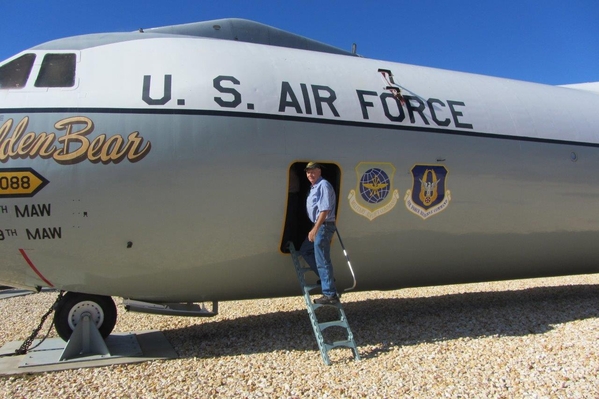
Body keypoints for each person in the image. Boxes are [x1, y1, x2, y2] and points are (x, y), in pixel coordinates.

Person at [299, 162, 339, 305]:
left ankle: (329, 294)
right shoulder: (314, 187)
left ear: (319, 171)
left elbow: (325, 210)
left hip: (323, 226)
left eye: (313, 171)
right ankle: (326, 280)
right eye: (308, 172)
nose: (310, 174)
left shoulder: (323, 185)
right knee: (306, 250)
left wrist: (315, 228)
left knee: (322, 259)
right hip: (319, 225)